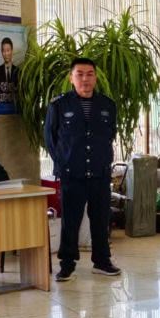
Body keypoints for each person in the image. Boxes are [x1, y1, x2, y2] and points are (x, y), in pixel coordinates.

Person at [45, 57, 121, 281]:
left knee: (100, 219)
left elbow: (110, 135)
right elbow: (50, 138)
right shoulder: (59, 105)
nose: (85, 79)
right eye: (79, 74)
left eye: (89, 74)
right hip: (72, 174)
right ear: (71, 78)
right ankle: (67, 265)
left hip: (99, 173)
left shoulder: (107, 105)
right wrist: (63, 162)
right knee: (70, 220)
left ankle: (102, 261)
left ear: (95, 78)